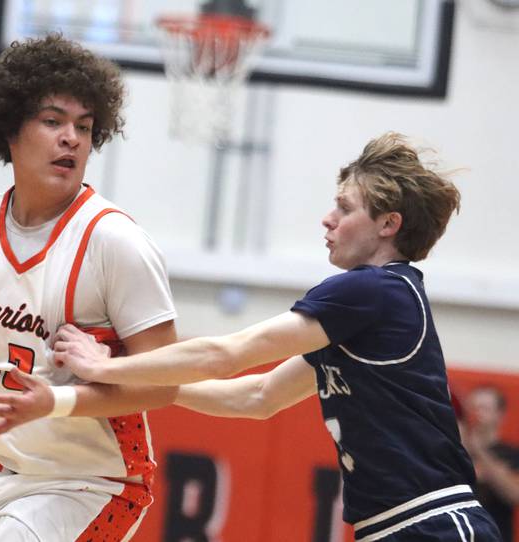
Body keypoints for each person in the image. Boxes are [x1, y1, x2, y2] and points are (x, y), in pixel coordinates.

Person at [30, 132, 502, 540]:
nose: (328, 219)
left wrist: (104, 367)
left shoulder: (373, 289)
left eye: (344, 206)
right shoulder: (371, 310)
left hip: (433, 523)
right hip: (400, 527)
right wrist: (143, 388)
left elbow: (226, 354)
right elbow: (257, 395)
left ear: (388, 224)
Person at [0, 33, 178, 541]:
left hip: (86, 481)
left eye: (84, 126)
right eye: (53, 121)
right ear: (10, 129)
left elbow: (165, 382)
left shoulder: (115, 241)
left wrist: (59, 400)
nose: (72, 139)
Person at [463, 386, 519, 541]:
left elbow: (514, 494)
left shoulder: (511, 453)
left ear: (499, 414)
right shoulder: (457, 451)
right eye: (473, 407)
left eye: (484, 408)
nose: (477, 413)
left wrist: (480, 451)